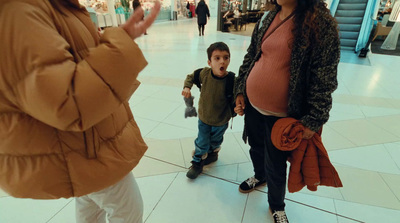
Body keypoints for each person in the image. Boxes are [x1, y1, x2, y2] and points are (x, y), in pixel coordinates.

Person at [0, 0, 160, 222]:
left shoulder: (53, 6)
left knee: (90, 207)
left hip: (86, 143)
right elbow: (66, 102)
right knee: (127, 210)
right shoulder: (20, 11)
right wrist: (118, 45)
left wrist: (103, 44)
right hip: (84, 145)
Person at [234, 0, 340, 222]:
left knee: (276, 163)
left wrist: (314, 118)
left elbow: (325, 76)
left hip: (282, 117)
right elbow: (252, 55)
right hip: (254, 107)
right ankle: (259, 176)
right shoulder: (268, 16)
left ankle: (276, 206)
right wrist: (240, 89)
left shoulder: (320, 23)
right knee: (256, 147)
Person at [182, 42, 236, 179]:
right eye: (217, 58)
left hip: (221, 120)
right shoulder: (204, 74)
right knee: (202, 141)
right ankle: (197, 162)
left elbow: (239, 95)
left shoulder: (231, 80)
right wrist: (187, 87)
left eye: (226, 57)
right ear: (209, 62)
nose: (222, 61)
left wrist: (239, 106)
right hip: (205, 118)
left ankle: (212, 153)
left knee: (216, 141)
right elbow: (191, 77)